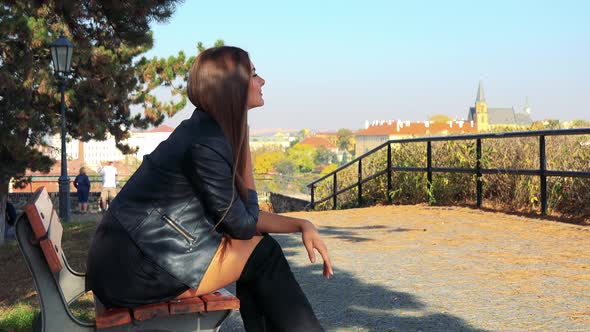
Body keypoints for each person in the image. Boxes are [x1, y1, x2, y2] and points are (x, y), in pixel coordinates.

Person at [86, 46, 332, 331]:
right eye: (253, 74)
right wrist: (244, 137)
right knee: (262, 254)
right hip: (135, 270)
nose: (262, 81)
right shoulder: (208, 143)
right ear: (232, 87)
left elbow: (241, 217)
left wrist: (302, 224)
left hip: (134, 258)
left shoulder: (205, 130)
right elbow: (242, 224)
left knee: (256, 255)